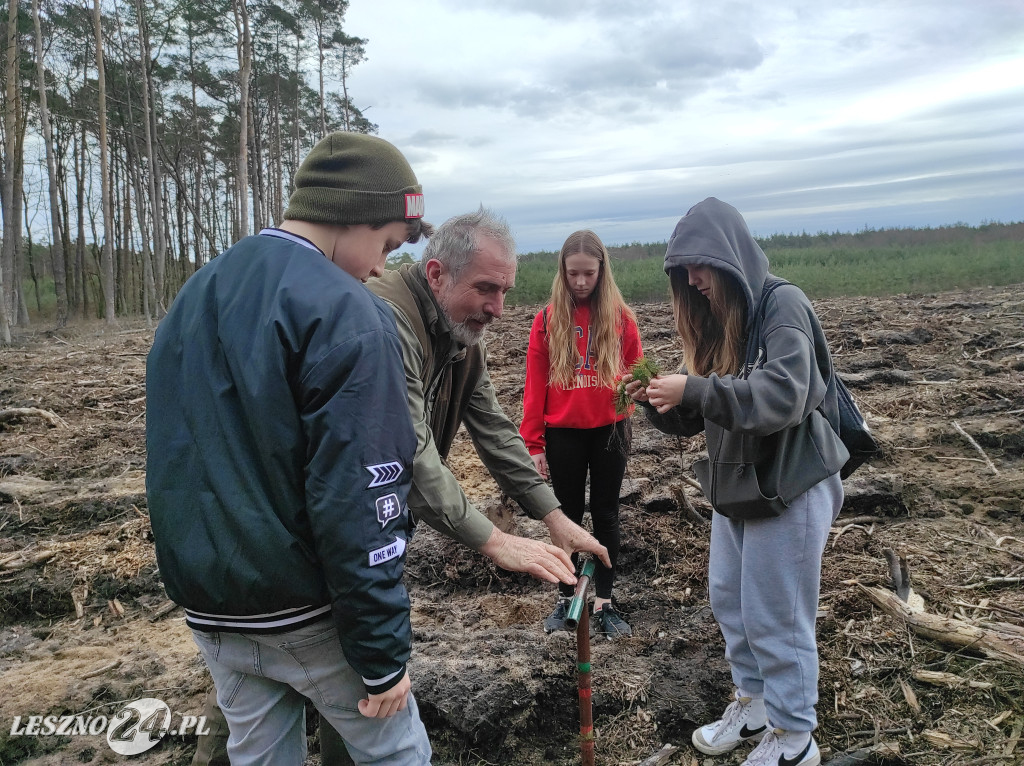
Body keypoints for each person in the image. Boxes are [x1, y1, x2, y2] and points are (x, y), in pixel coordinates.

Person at [147, 132, 434, 766]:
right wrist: (384, 658)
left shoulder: (196, 295)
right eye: (385, 244)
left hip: (210, 606)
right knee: (395, 752)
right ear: (353, 215)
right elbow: (360, 496)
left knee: (260, 755)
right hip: (305, 611)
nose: (382, 267)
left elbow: (174, 455)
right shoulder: (348, 313)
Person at [625, 198, 847, 766]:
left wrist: (693, 390)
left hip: (789, 484)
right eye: (683, 271)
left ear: (729, 256)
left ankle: (796, 737)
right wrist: (659, 400)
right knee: (731, 601)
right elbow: (704, 411)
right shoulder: (720, 321)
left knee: (776, 613)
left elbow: (783, 395)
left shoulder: (781, 305)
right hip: (740, 487)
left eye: (699, 266)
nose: (693, 280)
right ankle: (753, 707)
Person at [519, 230, 643, 638]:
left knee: (606, 513)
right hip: (563, 435)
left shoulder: (622, 319)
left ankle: (605, 601)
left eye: (589, 273)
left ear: (602, 271)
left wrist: (638, 383)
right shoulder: (547, 320)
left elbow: (636, 372)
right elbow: (535, 385)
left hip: (610, 430)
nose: (581, 282)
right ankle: (567, 597)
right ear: (563, 272)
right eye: (573, 274)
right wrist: (533, 444)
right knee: (567, 516)